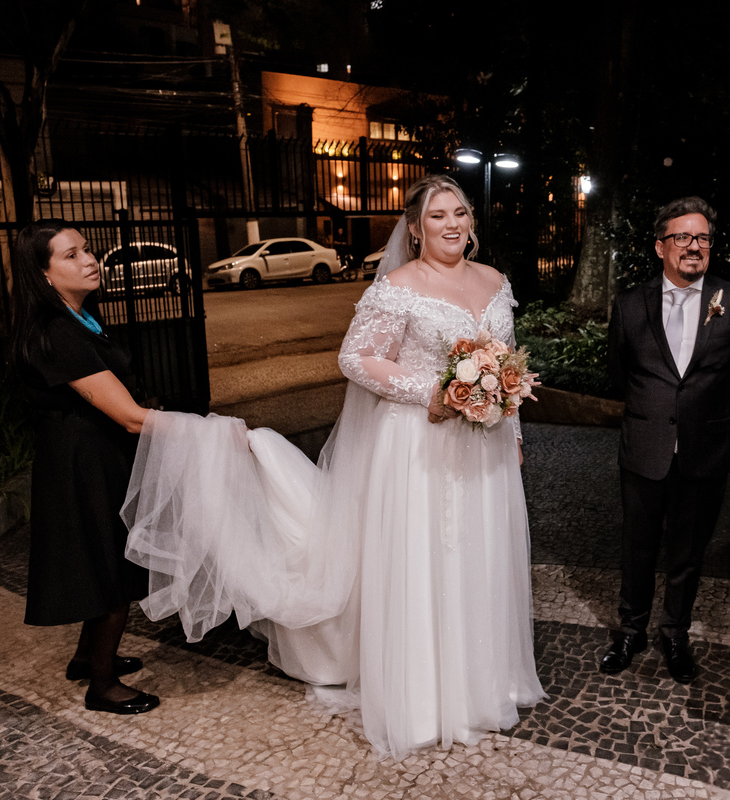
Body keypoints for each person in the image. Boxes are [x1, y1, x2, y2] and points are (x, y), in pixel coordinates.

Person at [123, 174, 545, 758]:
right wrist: (439, 390)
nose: (452, 224)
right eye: (438, 216)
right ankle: (425, 694)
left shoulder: (495, 281)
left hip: (487, 443)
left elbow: (509, 366)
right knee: (427, 556)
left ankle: (484, 679)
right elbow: (356, 358)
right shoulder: (398, 285)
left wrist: (513, 427)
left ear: (471, 221)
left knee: (480, 553)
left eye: (460, 213)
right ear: (416, 228)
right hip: (420, 440)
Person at [601, 196, 730, 684]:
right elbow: (616, 373)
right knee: (637, 546)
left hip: (705, 448)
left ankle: (675, 633)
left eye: (703, 239)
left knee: (688, 550)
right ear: (660, 246)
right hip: (644, 446)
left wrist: (702, 408)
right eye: (683, 238)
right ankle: (631, 631)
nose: (694, 247)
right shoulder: (630, 305)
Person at [10, 219, 158, 714]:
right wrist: (206, 432)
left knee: (102, 557)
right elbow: (130, 417)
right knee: (111, 567)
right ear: (44, 274)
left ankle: (83, 658)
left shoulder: (78, 318)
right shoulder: (59, 332)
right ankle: (102, 685)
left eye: (88, 250)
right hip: (83, 462)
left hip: (94, 453)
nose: (90, 260)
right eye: (71, 255)